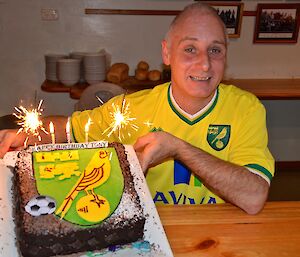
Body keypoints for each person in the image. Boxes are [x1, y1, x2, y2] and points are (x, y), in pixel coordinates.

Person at [0, 3, 274, 214]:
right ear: (166, 53)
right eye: (190, 49)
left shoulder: (246, 109)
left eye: (215, 50)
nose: (204, 64)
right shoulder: (130, 108)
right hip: (149, 232)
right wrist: (24, 135)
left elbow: (254, 197)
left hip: (220, 235)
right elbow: (68, 130)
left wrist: (179, 148)